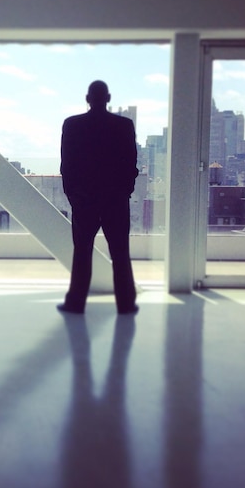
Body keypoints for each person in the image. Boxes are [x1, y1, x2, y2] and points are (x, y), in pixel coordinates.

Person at [58, 80, 138, 315]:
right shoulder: (123, 126)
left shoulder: (72, 125)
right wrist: (125, 191)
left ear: (88, 98)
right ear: (108, 98)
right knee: (120, 253)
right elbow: (130, 162)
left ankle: (76, 302)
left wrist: (73, 194)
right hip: (115, 199)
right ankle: (125, 303)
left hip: (84, 199)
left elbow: (67, 164)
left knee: (82, 252)